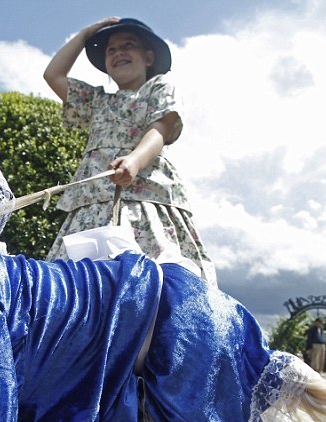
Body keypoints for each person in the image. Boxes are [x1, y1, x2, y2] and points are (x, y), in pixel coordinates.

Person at [43, 17, 216, 284]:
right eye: (111, 50)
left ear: (148, 57)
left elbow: (160, 128)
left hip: (145, 198)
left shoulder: (158, 88)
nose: (118, 53)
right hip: (92, 204)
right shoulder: (96, 101)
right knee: (77, 282)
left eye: (128, 45)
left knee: (153, 277)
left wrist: (134, 162)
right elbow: (53, 75)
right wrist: (86, 34)